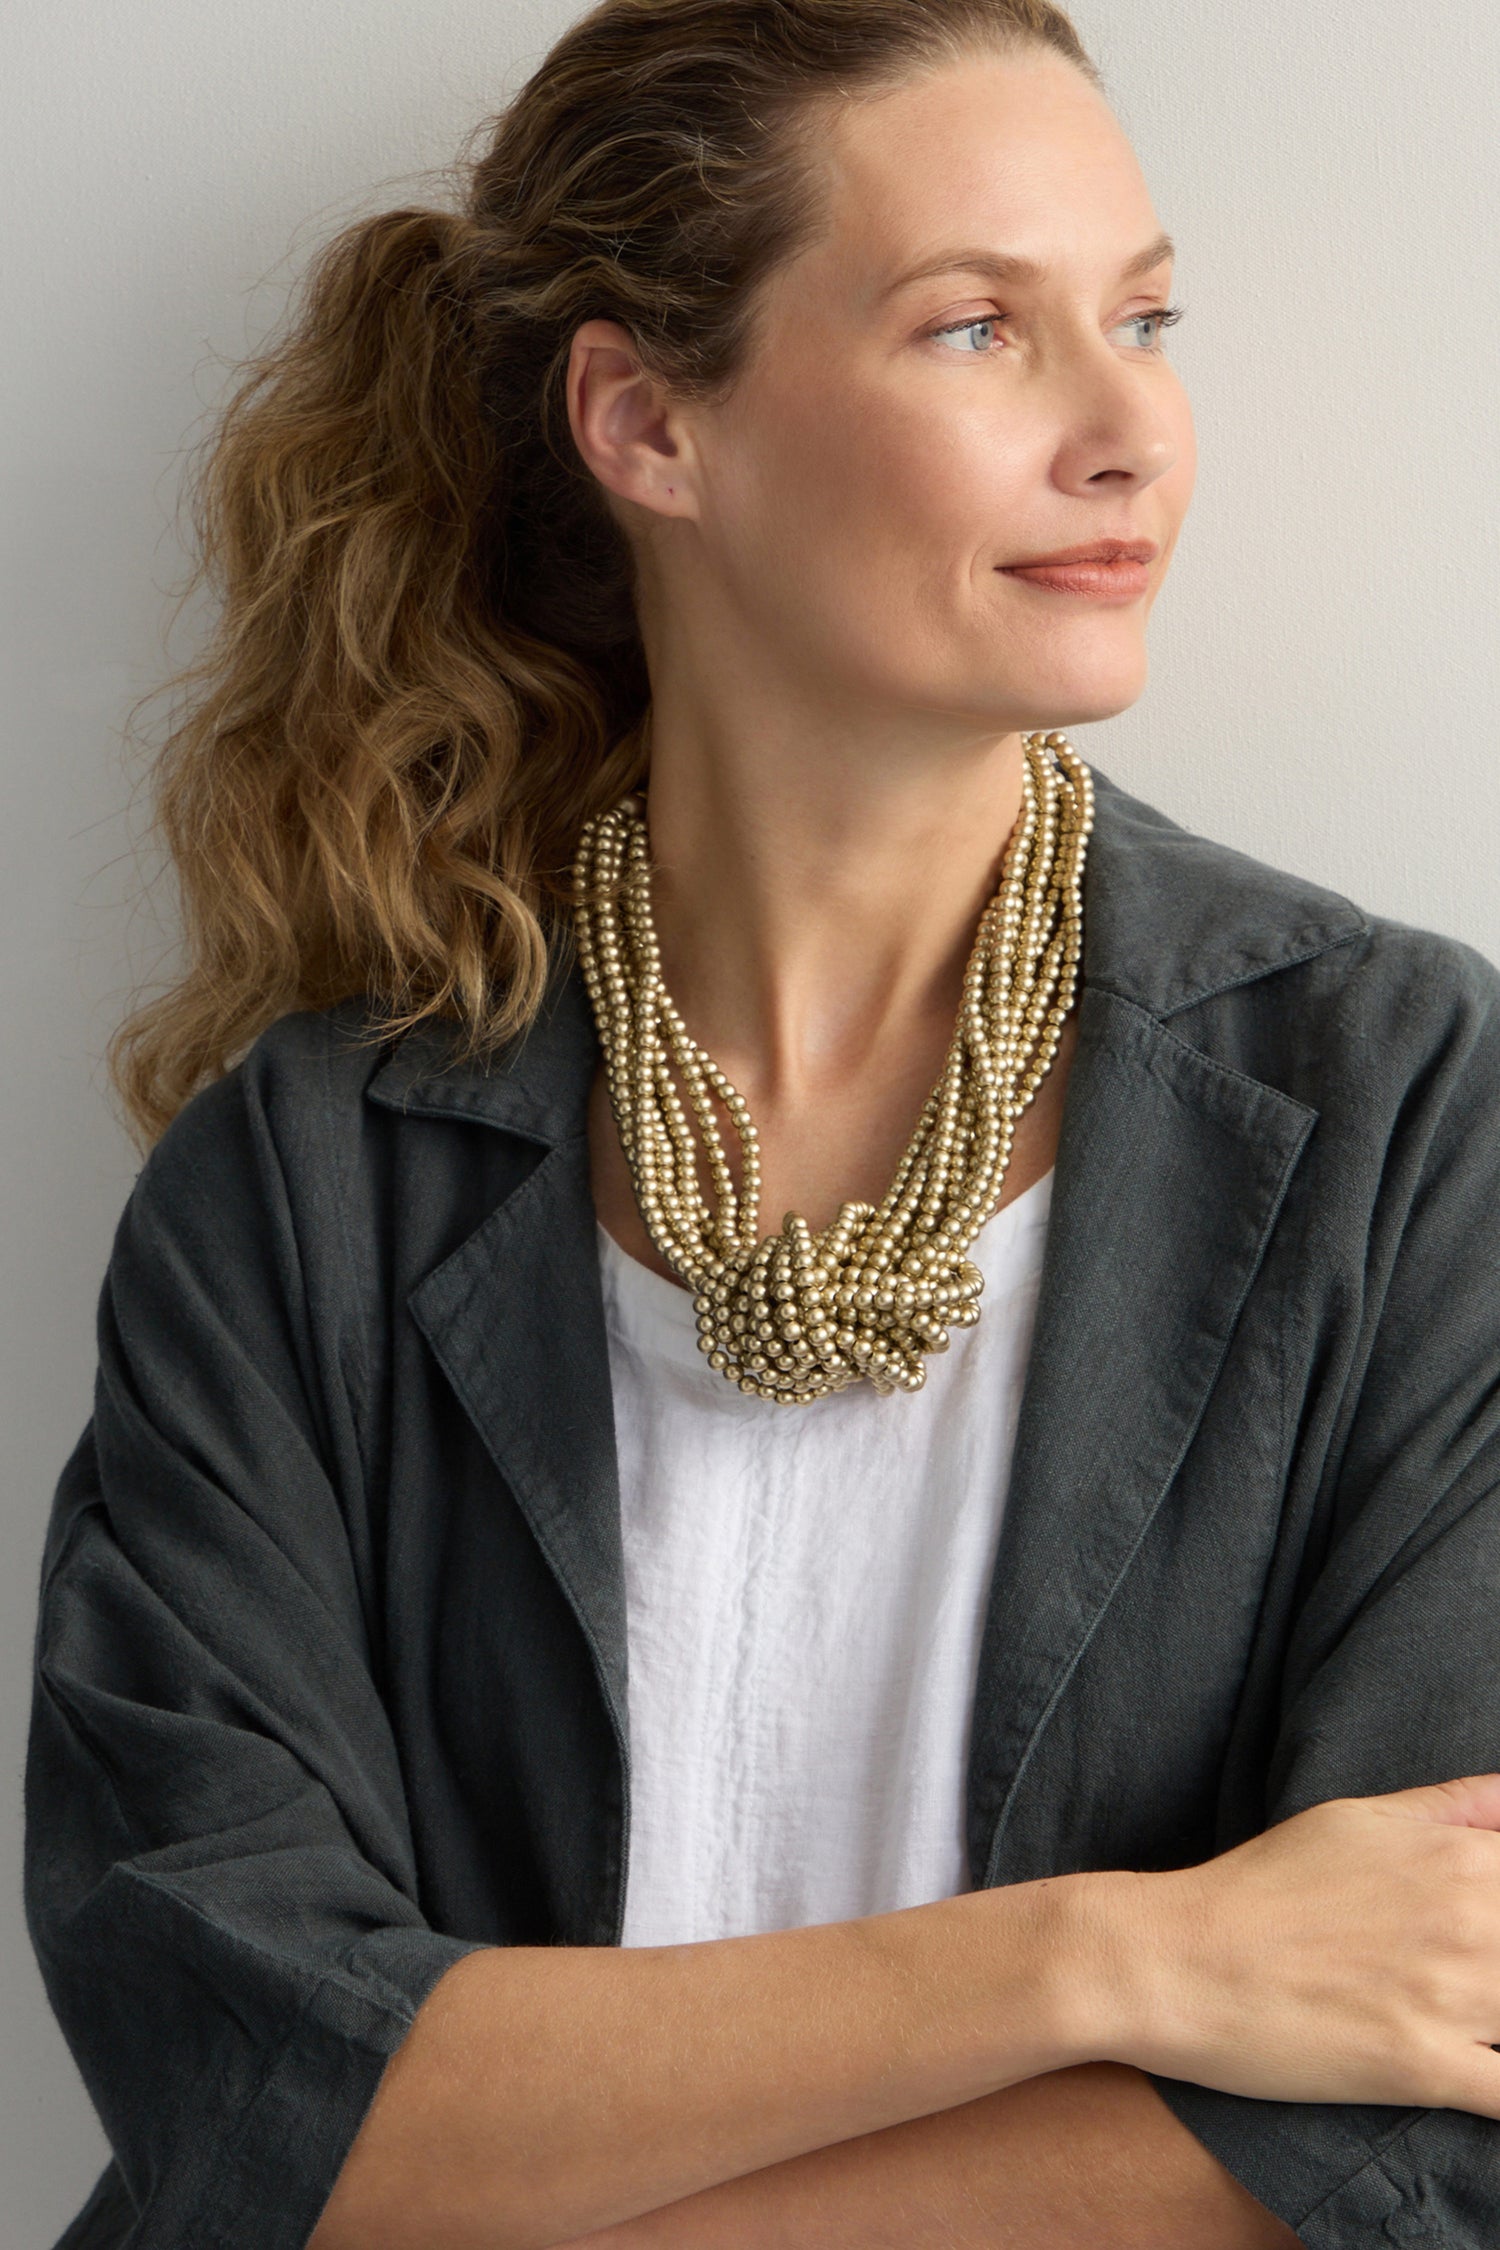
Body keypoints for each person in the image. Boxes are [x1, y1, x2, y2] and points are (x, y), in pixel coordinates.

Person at [23, 0, 1500, 2245]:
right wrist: (1118, 1956)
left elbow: (1426, 2089)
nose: (1133, 433)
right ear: (646, 421)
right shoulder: (307, 1174)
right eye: (978, 329)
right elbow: (245, 2073)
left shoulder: (1405, 1107)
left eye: (1147, 316)